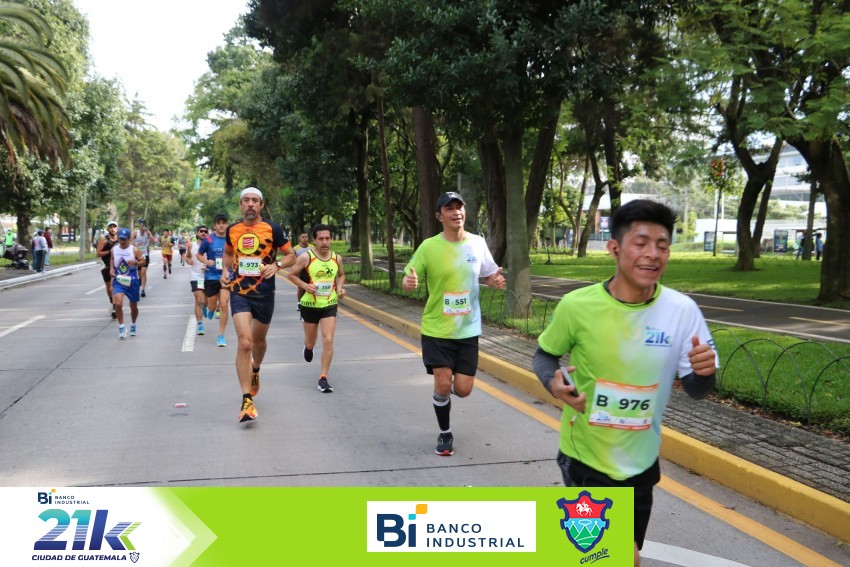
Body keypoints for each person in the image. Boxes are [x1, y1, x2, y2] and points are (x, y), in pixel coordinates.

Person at [532, 199, 719, 567]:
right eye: (641, 243)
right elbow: (544, 356)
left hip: (642, 461)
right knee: (620, 558)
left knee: (607, 556)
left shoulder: (682, 311)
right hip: (586, 457)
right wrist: (553, 384)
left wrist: (705, 373)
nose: (653, 254)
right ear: (614, 248)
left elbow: (697, 390)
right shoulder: (577, 306)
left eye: (662, 245)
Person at [401, 191, 505, 456]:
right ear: (440, 216)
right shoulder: (429, 247)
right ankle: (445, 433)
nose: (456, 212)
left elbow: (489, 273)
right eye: (449, 208)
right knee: (443, 383)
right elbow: (409, 278)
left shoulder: (477, 243)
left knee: (464, 389)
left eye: (459, 207)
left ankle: (443, 395)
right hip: (437, 328)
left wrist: (494, 280)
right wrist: (409, 283)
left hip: (468, 329)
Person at [221, 187, 296, 423]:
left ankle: (255, 369)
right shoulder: (233, 230)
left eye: (255, 200)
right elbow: (228, 253)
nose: (250, 204)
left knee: (259, 342)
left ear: (261, 205)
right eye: (246, 200)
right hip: (239, 292)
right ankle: (246, 401)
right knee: (245, 342)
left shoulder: (273, 229)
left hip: (264, 293)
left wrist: (277, 265)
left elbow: (291, 255)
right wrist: (225, 271)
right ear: (240, 204)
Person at [288, 223, 346, 393]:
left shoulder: (336, 258)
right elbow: (291, 274)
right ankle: (308, 347)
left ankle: (323, 377)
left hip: (329, 304)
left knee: (328, 339)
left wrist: (340, 287)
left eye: (327, 238)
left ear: (331, 239)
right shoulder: (306, 257)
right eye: (321, 239)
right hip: (310, 305)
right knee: (311, 340)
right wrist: (305, 286)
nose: (324, 242)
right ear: (314, 240)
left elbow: (341, 274)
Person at [198, 214, 231, 347]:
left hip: (227, 276)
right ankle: (208, 308)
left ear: (227, 225)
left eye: (223, 223)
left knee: (224, 304)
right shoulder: (208, 239)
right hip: (211, 276)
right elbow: (199, 255)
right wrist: (207, 261)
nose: (221, 225)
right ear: (215, 225)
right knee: (212, 306)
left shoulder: (231, 238)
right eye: (219, 223)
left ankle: (221, 335)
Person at [110, 227, 146, 339]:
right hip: (119, 281)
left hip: (132, 281)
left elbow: (143, 261)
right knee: (118, 304)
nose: (123, 241)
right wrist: (111, 268)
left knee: (133, 306)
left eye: (125, 239)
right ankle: (121, 327)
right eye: (121, 239)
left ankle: (133, 324)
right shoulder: (114, 249)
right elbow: (112, 259)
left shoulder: (134, 250)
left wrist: (135, 263)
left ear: (129, 239)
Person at [185, 226, 209, 337]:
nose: (203, 233)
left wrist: (208, 265)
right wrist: (189, 260)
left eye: (205, 231)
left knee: (206, 301)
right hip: (196, 276)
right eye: (201, 231)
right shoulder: (192, 245)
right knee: (199, 299)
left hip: (209, 277)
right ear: (197, 233)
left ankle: (205, 306)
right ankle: (200, 325)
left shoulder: (210, 245)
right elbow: (188, 258)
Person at [96, 221, 120, 318]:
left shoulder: (120, 239)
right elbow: (98, 253)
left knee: (114, 285)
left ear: (117, 229)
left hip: (117, 265)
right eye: (111, 227)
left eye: (114, 227)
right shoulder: (104, 240)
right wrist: (109, 251)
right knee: (109, 286)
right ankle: (111, 300)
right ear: (108, 229)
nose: (112, 229)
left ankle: (114, 305)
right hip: (106, 265)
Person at [133, 219, 152, 297]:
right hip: (137, 256)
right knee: (140, 274)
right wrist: (135, 244)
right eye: (141, 223)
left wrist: (149, 233)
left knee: (143, 272)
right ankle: (140, 280)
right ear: (139, 225)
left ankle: (143, 290)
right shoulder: (135, 233)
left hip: (145, 255)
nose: (142, 225)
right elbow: (129, 241)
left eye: (143, 223)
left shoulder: (148, 232)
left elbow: (153, 240)